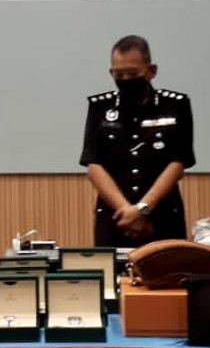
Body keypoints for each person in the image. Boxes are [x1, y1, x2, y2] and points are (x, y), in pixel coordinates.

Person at [80, 35, 195, 248]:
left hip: (163, 215)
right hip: (116, 217)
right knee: (112, 280)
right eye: (119, 74)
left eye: (132, 73)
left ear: (151, 71)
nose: (126, 79)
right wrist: (127, 211)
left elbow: (178, 162)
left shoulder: (176, 106)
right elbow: (93, 165)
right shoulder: (100, 108)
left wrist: (142, 208)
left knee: (168, 279)